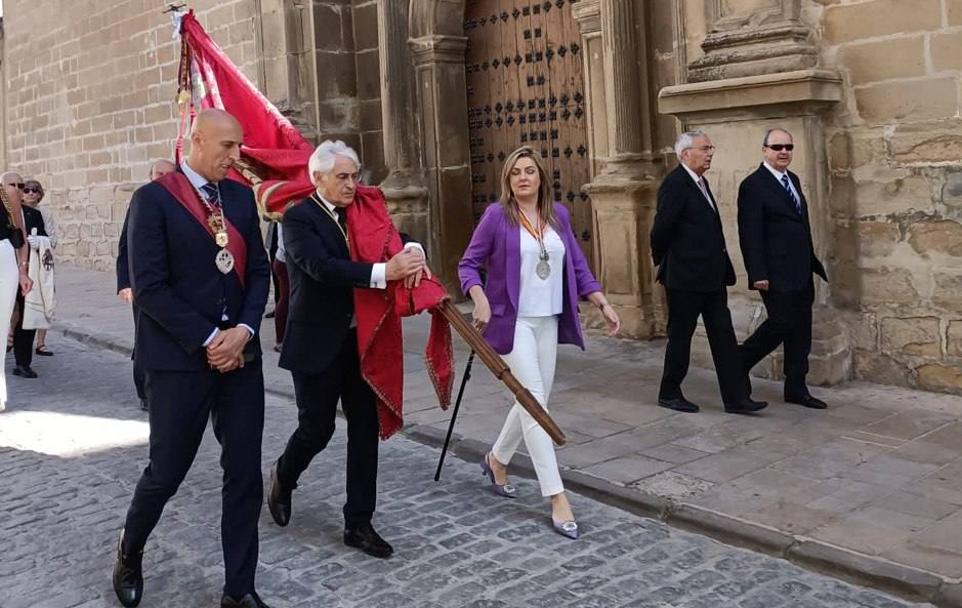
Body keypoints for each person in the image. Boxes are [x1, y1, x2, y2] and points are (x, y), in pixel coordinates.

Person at [112, 110, 272, 608]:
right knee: (167, 470)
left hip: (240, 357)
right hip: (181, 361)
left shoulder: (241, 198)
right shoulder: (154, 201)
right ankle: (130, 550)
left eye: (239, 147)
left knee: (244, 472)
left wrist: (242, 331)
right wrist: (210, 339)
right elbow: (151, 289)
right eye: (226, 146)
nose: (235, 156)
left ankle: (239, 588)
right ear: (196, 141)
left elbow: (260, 273)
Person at [266, 140, 426, 559]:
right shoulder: (298, 219)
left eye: (356, 176)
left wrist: (412, 250)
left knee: (363, 430)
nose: (352, 184)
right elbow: (321, 268)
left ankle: (359, 522)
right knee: (316, 429)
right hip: (317, 342)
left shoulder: (363, 211)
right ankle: (284, 475)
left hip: (361, 344)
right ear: (317, 178)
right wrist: (383, 272)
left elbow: (392, 236)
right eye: (343, 177)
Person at [458, 146, 620, 540]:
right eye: (515, 173)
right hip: (513, 324)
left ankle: (496, 459)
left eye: (530, 171)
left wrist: (601, 300)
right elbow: (468, 264)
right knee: (535, 406)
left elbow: (576, 265)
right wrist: (478, 298)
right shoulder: (497, 216)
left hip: (547, 321)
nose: (523, 178)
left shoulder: (558, 216)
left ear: (541, 177)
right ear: (508, 182)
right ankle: (556, 496)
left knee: (532, 400)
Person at [650, 131, 767, 415]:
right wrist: (671, 262)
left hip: (712, 277)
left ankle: (736, 398)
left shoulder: (700, 183)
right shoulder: (676, 184)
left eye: (710, 148)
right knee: (681, 336)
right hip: (685, 279)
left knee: (723, 337)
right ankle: (669, 391)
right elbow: (661, 230)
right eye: (704, 148)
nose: (710, 152)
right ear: (685, 153)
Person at [737, 128, 829, 409]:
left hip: (801, 269)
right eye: (777, 147)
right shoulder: (753, 185)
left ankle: (796, 387)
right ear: (765, 150)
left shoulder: (794, 180)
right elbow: (749, 233)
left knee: (800, 329)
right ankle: (737, 362)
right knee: (781, 322)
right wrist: (758, 273)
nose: (784, 152)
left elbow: (801, 225)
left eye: (788, 147)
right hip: (774, 273)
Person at [117, 159, 176, 411]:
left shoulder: (182, 203)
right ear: (151, 175)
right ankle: (145, 391)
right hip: (144, 285)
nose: (162, 177)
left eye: (167, 174)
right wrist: (125, 282)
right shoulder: (141, 201)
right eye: (158, 173)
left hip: (175, 285)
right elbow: (125, 245)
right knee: (146, 339)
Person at [0, 172, 34, 412]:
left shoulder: (6, 193)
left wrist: (23, 271)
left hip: (3, 261)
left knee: (1, 329)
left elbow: (19, 237)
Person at [10, 178, 47, 379]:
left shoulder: (34, 214)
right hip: (5, 271)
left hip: (28, 272)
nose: (18, 190)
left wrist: (39, 241)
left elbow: (46, 238)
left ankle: (22, 362)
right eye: (12, 185)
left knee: (27, 316)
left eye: (20, 186)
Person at [22, 179, 56, 356]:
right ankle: (12, 335)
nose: (30, 193)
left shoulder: (45, 213)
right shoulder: (17, 212)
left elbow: (54, 240)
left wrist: (40, 242)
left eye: (34, 190)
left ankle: (41, 342)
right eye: (26, 190)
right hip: (22, 262)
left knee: (44, 298)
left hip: (42, 261)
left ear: (40, 193)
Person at [271, 221, 288, 352]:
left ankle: (282, 339)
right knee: (286, 300)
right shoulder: (288, 206)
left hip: (283, 258)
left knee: (286, 299)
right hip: (286, 260)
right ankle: (281, 340)